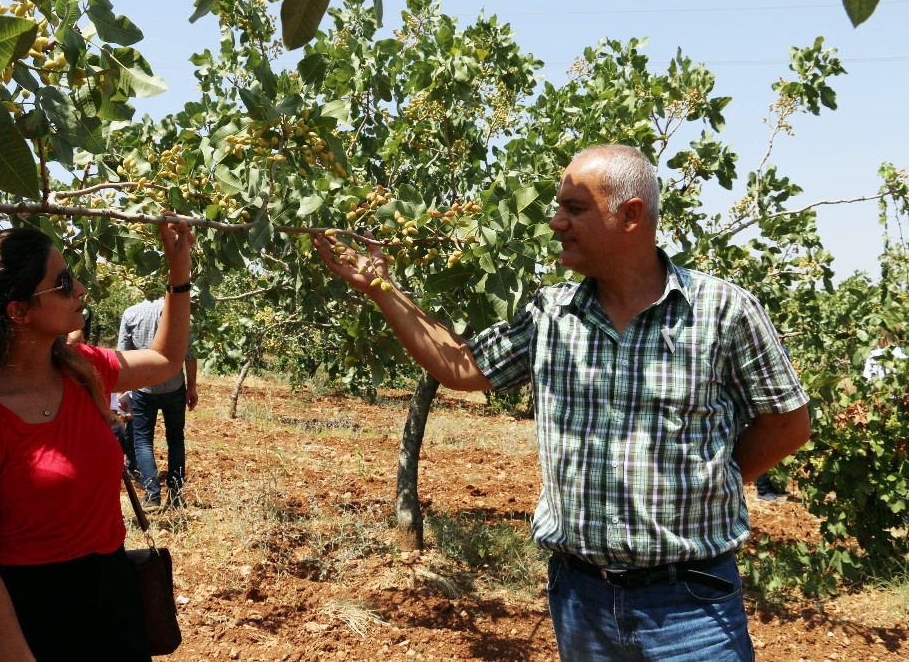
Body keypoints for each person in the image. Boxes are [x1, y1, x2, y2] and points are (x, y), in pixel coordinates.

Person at [314, 144, 811, 661]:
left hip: (690, 605)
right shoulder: (551, 314)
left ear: (631, 215)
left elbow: (787, 424)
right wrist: (380, 286)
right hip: (581, 600)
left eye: (574, 209)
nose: (556, 223)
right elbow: (461, 365)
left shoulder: (723, 311)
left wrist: (715, 481)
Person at [0, 223, 194, 661]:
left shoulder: (82, 370)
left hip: (110, 602)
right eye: (61, 282)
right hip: (27, 618)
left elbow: (166, 359)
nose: (79, 287)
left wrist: (179, 275)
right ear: (19, 311)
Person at [118, 296, 198, 510]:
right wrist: (192, 386)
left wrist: (124, 390)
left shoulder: (131, 312)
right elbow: (190, 354)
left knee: (143, 441)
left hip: (144, 386)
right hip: (174, 386)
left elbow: (123, 355)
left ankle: (152, 495)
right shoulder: (179, 312)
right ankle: (175, 494)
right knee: (175, 438)